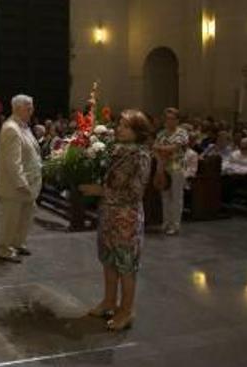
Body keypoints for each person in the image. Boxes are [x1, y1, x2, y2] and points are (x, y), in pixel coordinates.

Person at [79, 109, 153, 332]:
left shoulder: (141, 155)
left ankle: (126, 310)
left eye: (125, 126)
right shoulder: (117, 150)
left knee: (126, 266)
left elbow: (135, 193)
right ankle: (109, 302)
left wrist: (101, 191)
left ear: (138, 132)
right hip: (109, 214)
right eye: (119, 124)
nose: (119, 129)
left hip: (126, 218)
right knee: (109, 260)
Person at [0, 95, 42, 263]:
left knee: (26, 215)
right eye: (28, 107)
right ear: (17, 108)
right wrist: (21, 183)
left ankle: (18, 243)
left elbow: (31, 152)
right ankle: (5, 248)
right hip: (14, 185)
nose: (31, 110)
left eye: (32, 107)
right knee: (11, 218)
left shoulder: (24, 127)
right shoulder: (11, 128)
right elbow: (13, 162)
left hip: (29, 183)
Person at [153, 107, 188, 236]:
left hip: (177, 167)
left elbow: (174, 148)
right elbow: (154, 148)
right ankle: (166, 222)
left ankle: (175, 225)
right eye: (167, 118)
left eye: (172, 119)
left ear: (177, 120)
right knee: (165, 196)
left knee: (176, 197)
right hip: (162, 166)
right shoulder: (161, 133)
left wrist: (162, 148)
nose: (169, 121)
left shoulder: (182, 133)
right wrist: (161, 155)